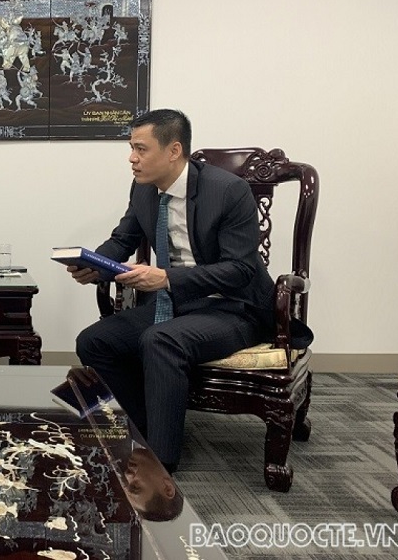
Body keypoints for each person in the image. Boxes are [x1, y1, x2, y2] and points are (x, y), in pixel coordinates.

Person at [71, 109, 312, 473]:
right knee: (94, 341)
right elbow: (122, 240)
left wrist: (167, 279)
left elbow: (241, 269)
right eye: (131, 148)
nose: (132, 158)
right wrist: (93, 264)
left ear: (174, 151)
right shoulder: (143, 188)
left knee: (161, 340)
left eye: (140, 148)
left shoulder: (228, 191)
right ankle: (143, 429)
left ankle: (161, 461)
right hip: (177, 303)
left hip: (233, 306)